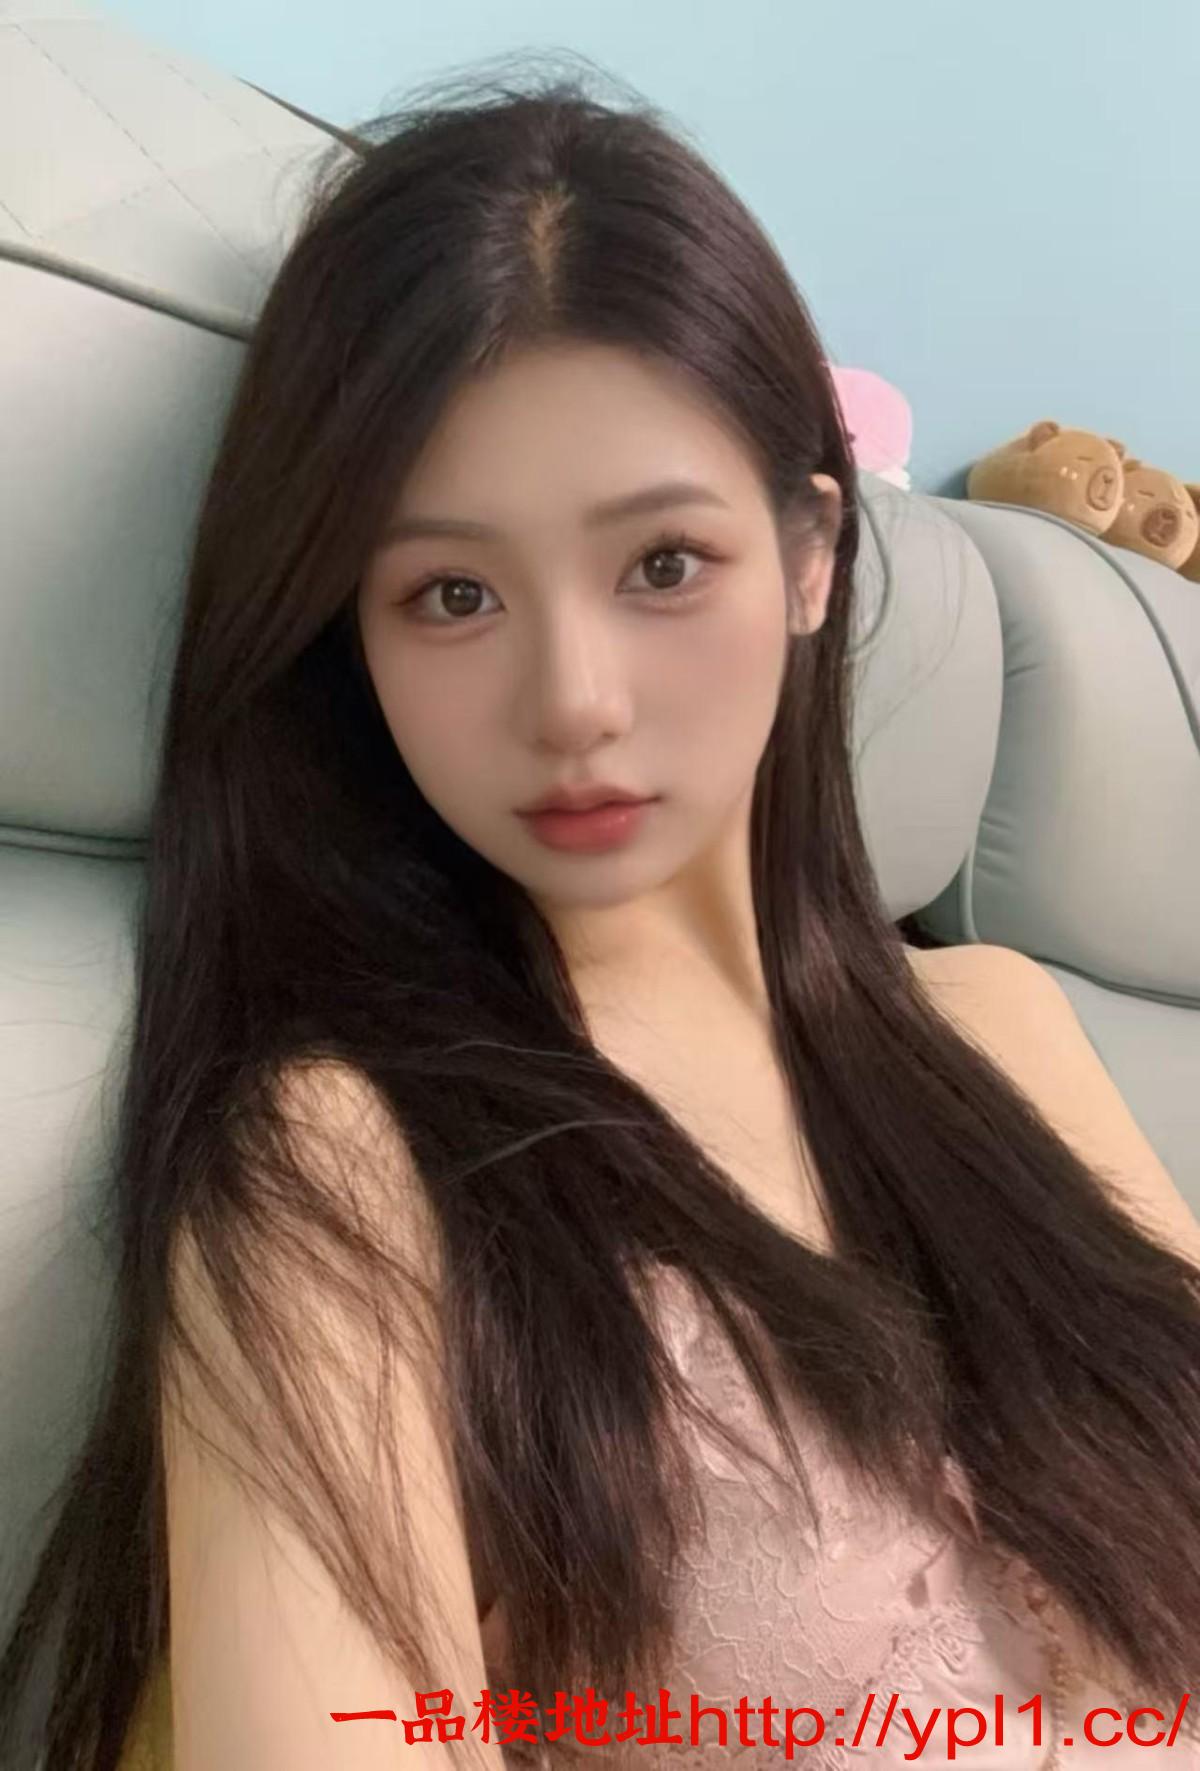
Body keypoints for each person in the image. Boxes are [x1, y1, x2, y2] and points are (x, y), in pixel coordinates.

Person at [3, 51, 1200, 1771]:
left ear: (811, 553)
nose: (572, 701)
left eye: (662, 565)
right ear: (346, 635)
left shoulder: (1005, 1021)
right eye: (452, 594)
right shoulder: (346, 1165)